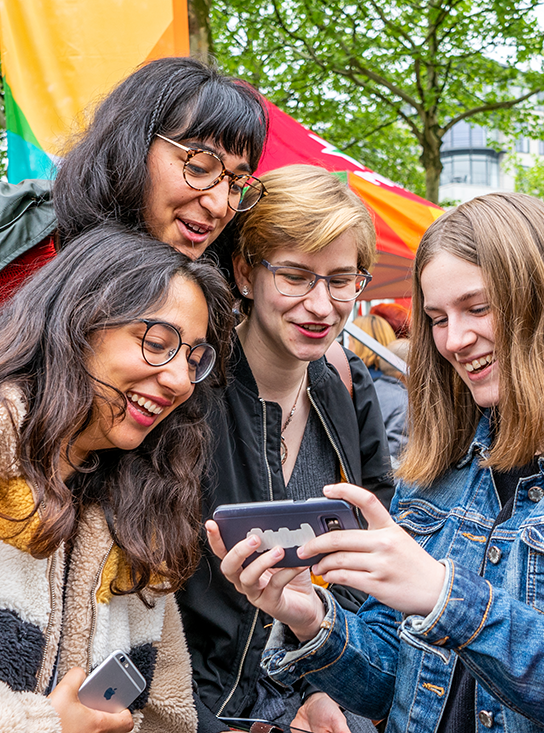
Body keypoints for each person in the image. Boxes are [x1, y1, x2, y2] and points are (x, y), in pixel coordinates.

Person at [208, 192, 544, 733]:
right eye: (437, 318)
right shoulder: (435, 466)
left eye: (478, 307)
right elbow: (388, 683)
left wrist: (451, 599)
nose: (455, 340)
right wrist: (312, 620)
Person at [177, 164, 394, 733]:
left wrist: (329, 690)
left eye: (341, 280)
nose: (322, 305)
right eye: (296, 276)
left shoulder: (348, 387)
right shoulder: (187, 392)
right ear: (246, 273)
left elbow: (360, 570)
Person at [0, 224, 234, 733]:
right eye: (156, 342)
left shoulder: (139, 507)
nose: (177, 380)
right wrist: (42, 724)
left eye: (193, 359)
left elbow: (168, 713)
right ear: (78, 319)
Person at [0, 55, 268, 297]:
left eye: (237, 184)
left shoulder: (208, 304)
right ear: (132, 147)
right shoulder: (11, 219)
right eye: (197, 167)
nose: (219, 206)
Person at [349, 314, 409, 462]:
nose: (347, 346)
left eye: (350, 341)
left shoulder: (355, 382)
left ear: (361, 344)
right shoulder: (399, 392)